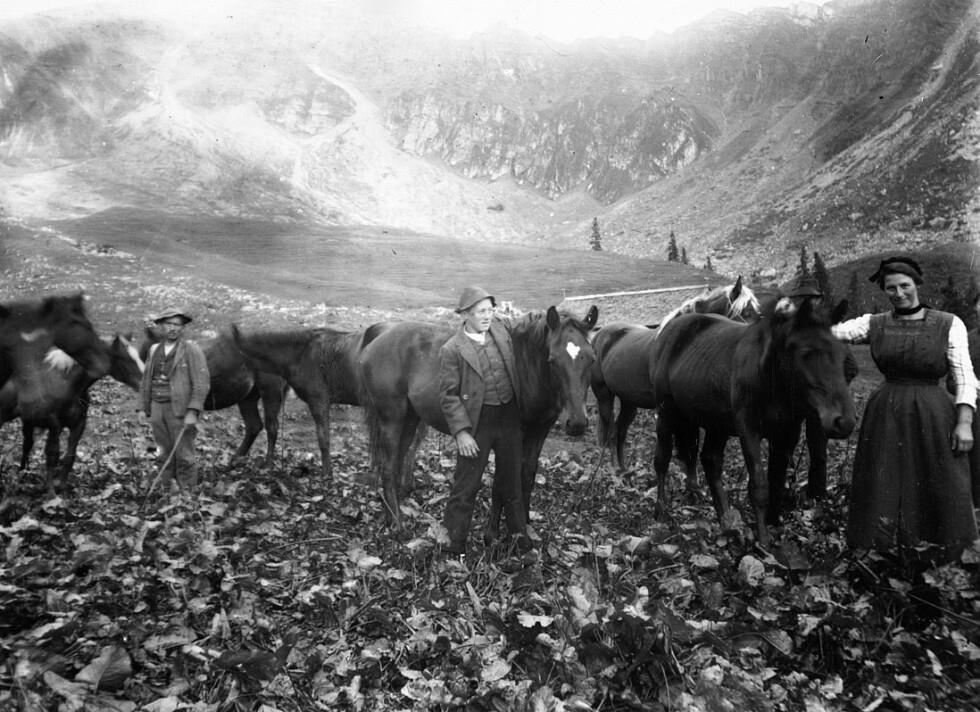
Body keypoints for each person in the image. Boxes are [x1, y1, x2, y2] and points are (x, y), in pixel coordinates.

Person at [831, 257, 978, 558]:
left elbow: (965, 377)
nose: (899, 293)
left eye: (904, 286)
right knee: (883, 478)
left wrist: (964, 422)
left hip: (933, 412)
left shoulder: (949, 323)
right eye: (891, 288)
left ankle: (943, 553)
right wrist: (795, 321)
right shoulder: (875, 323)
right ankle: (879, 551)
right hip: (886, 412)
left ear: (916, 285)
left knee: (941, 477)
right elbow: (833, 333)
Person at [438, 286, 529, 562]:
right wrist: (462, 433)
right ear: (466, 314)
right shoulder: (452, 349)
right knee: (466, 486)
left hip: (509, 417)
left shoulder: (501, 331)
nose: (487, 316)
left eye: (490, 310)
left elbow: (529, 324)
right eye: (481, 312)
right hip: (478, 423)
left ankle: (519, 543)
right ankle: (453, 548)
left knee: (512, 482)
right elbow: (448, 396)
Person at [788, 276, 859, 501]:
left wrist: (830, 389)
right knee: (786, 445)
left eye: (810, 299)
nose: (805, 303)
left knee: (816, 450)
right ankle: (788, 489)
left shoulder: (827, 331)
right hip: (792, 401)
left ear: (819, 301)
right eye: (801, 298)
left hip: (818, 404)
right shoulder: (788, 331)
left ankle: (816, 494)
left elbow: (851, 367)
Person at [139, 307, 210, 491]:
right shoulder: (154, 350)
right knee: (162, 452)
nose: (173, 328)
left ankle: (187, 493)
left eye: (177, 325)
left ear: (182, 328)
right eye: (169, 324)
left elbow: (201, 383)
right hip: (157, 407)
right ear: (161, 326)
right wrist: (143, 407)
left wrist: (193, 411)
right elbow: (146, 380)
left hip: (179, 409)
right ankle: (167, 489)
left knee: (184, 454)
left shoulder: (191, 350)